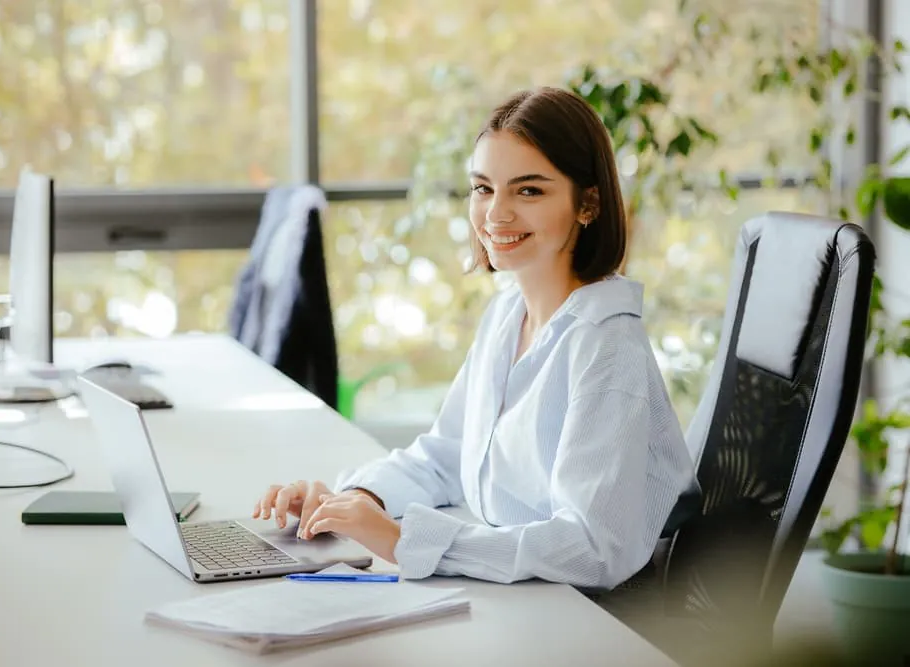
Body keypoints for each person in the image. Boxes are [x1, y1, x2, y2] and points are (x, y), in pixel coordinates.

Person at [253, 86, 699, 593]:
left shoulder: (606, 347)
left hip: (583, 615)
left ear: (588, 203)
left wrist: (404, 541)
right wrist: (354, 501)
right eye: (484, 188)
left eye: (528, 191)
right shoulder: (509, 313)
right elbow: (445, 455)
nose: (495, 215)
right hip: (516, 589)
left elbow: (592, 549)